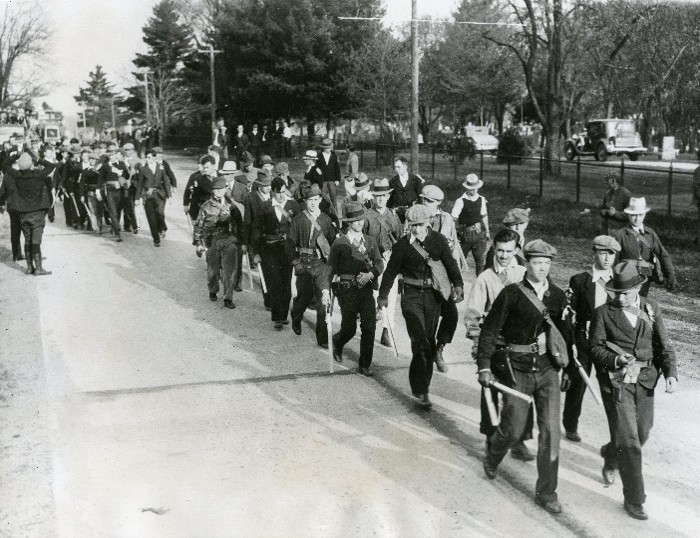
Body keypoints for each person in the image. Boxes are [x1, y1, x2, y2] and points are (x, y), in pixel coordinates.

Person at [477, 239, 570, 514]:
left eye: (547, 263)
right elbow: (490, 332)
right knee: (514, 428)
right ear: (526, 264)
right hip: (517, 368)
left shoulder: (557, 295)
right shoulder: (511, 294)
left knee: (551, 433)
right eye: (537, 263)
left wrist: (569, 371)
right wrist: (484, 366)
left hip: (548, 369)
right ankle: (494, 454)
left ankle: (547, 492)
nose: (543, 268)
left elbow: (567, 335)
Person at [589, 261, 678, 521]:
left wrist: (670, 374)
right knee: (630, 443)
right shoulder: (602, 313)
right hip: (617, 383)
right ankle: (635, 499)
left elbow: (664, 344)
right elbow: (594, 348)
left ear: (638, 289)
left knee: (641, 433)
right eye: (614, 292)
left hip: (646, 380)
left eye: (625, 293)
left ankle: (611, 453)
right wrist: (616, 360)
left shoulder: (651, 308)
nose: (618, 297)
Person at [378, 205, 464, 409]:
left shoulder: (438, 241)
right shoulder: (402, 246)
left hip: (433, 296)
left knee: (430, 340)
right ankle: (421, 391)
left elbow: (451, 264)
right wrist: (382, 296)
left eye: (420, 225)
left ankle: (431, 367)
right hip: (411, 297)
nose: (415, 229)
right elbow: (390, 272)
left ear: (429, 223)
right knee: (420, 342)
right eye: (412, 225)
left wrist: (458, 284)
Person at [464, 228, 534, 462]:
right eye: (500, 250)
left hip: (519, 344)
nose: (504, 255)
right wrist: (477, 343)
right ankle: (490, 435)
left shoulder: (524, 273)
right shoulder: (485, 278)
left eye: (509, 251)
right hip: (493, 342)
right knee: (490, 390)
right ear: (494, 248)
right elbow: (473, 313)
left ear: (516, 250)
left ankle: (520, 440)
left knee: (521, 391)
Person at [562, 235, 620, 443]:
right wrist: (573, 345)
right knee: (578, 382)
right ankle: (570, 424)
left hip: (608, 344)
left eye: (611, 254)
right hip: (584, 339)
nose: (606, 259)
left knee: (611, 388)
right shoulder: (580, 281)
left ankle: (617, 435)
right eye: (602, 253)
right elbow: (570, 314)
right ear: (594, 253)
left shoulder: (618, 282)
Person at [329, 202, 384, 376]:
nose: (359, 223)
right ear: (348, 222)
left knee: (369, 327)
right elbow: (330, 269)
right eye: (355, 220)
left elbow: (379, 263)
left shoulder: (370, 241)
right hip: (347, 291)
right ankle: (338, 341)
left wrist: (371, 274)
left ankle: (364, 364)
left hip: (366, 289)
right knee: (350, 328)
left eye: (361, 219)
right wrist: (325, 290)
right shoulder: (339, 243)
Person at [285, 183, 336, 348]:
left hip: (321, 265)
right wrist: (296, 263)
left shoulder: (326, 220)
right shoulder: (299, 220)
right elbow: (289, 244)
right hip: (304, 264)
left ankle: (322, 338)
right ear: (305, 201)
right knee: (304, 297)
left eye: (316, 199)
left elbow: (333, 243)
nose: (313, 203)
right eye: (310, 200)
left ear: (320, 199)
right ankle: (296, 314)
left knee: (323, 301)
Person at [419, 184, 461, 373]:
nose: (424, 203)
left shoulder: (447, 220)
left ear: (438, 203)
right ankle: (428, 353)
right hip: (423, 277)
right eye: (423, 199)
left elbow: (452, 250)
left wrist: (455, 280)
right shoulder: (416, 217)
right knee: (430, 322)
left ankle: (439, 348)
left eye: (429, 201)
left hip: (442, 277)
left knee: (451, 315)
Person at [252, 177, 301, 328]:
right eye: (278, 193)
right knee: (274, 281)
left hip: (288, 250)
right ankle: (276, 316)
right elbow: (257, 230)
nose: (281, 196)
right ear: (272, 192)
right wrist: (256, 252)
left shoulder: (293, 205)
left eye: (283, 192)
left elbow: (298, 227)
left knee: (286, 282)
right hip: (269, 250)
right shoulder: (265, 206)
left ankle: (283, 314)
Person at [0, 153, 56, 275]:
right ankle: (39, 268)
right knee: (36, 241)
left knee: (27, 240)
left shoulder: (17, 175)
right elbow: (52, 165)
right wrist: (39, 159)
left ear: (19, 166)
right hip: (37, 213)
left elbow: (4, 165)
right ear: (31, 165)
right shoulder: (38, 175)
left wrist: (16, 156)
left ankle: (30, 267)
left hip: (22, 214)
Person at [364, 178, 403, 348]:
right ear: (373, 196)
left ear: (388, 196)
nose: (380, 199)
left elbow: (400, 241)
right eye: (377, 196)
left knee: (390, 295)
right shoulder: (366, 216)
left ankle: (387, 330)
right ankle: (371, 324)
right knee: (372, 295)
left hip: (388, 259)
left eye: (383, 195)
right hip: (371, 261)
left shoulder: (393, 217)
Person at [193, 177, 243, 309]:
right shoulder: (206, 207)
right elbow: (198, 226)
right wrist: (198, 243)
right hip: (212, 241)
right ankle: (213, 290)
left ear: (226, 189)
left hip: (228, 240)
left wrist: (241, 241)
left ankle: (228, 297)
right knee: (213, 271)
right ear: (212, 191)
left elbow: (239, 224)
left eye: (222, 189)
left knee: (229, 271)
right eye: (217, 189)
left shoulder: (232, 206)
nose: (220, 192)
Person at [612, 197, 675, 296]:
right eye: (633, 215)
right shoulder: (620, 235)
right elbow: (614, 261)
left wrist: (670, 275)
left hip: (645, 278)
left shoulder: (650, 234)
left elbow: (663, 255)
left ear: (645, 215)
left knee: (640, 303)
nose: (637, 218)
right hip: (625, 278)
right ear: (628, 215)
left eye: (640, 215)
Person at [242, 171, 273, 311]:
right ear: (259, 186)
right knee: (264, 270)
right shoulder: (251, 198)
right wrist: (245, 242)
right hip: (258, 238)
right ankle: (268, 300)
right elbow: (247, 221)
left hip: (273, 238)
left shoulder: (275, 196)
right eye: (265, 185)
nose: (269, 187)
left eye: (270, 184)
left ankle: (275, 297)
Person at [451, 173, 490, 276]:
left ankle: (480, 283)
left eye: (475, 188)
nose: (473, 191)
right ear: (467, 188)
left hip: (478, 234)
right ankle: (457, 283)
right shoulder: (460, 201)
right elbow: (453, 218)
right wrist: (455, 233)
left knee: (480, 261)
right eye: (471, 188)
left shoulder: (481, 199)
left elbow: (484, 216)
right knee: (459, 259)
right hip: (465, 235)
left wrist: (487, 231)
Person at [136, 148, 172, 247]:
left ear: (155, 158)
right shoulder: (143, 169)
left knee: (160, 214)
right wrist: (137, 198)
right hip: (148, 196)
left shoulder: (160, 167)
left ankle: (162, 227)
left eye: (149, 157)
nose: (147, 159)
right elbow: (140, 184)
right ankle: (156, 239)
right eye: (146, 157)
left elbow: (165, 181)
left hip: (160, 195)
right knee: (151, 218)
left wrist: (169, 196)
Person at [387, 155, 422, 223]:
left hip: (412, 213)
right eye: (395, 167)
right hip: (397, 214)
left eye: (398, 167)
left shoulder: (416, 180)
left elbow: (420, 198)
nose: (396, 169)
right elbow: (390, 199)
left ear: (405, 167)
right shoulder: (393, 181)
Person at [184, 155, 216, 222]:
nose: (205, 170)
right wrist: (186, 204)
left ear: (213, 166)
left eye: (207, 167)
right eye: (204, 168)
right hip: (200, 211)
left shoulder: (221, 176)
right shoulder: (198, 178)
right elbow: (188, 191)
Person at [316, 138, 342, 216]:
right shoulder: (319, 156)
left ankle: (335, 214)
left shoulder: (334, 156)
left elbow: (337, 168)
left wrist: (337, 179)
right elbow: (316, 167)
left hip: (332, 180)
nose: (328, 149)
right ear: (323, 148)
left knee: (333, 197)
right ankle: (321, 213)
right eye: (326, 148)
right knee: (322, 196)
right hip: (323, 180)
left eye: (329, 148)